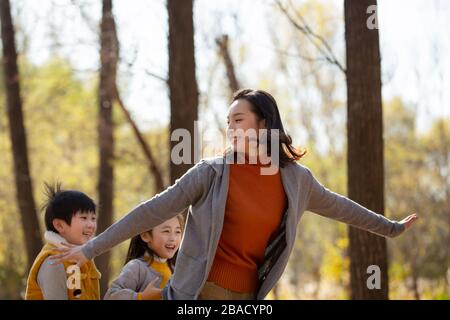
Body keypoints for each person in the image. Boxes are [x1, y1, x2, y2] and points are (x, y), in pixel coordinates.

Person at [51, 89, 418, 300]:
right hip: (200, 293)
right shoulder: (211, 173)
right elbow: (150, 211)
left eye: (238, 120)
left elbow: (344, 208)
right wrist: (90, 248)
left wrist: (392, 228)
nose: (230, 128)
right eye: (227, 122)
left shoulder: (296, 181)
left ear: (263, 123)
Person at [25, 183, 100, 300]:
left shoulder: (85, 259)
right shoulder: (54, 262)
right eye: (84, 218)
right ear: (59, 225)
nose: (91, 225)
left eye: (93, 219)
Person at [104, 215, 183, 300]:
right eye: (166, 231)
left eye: (177, 232)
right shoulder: (136, 267)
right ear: (146, 236)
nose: (173, 238)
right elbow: (110, 296)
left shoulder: (176, 272)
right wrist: (141, 297)